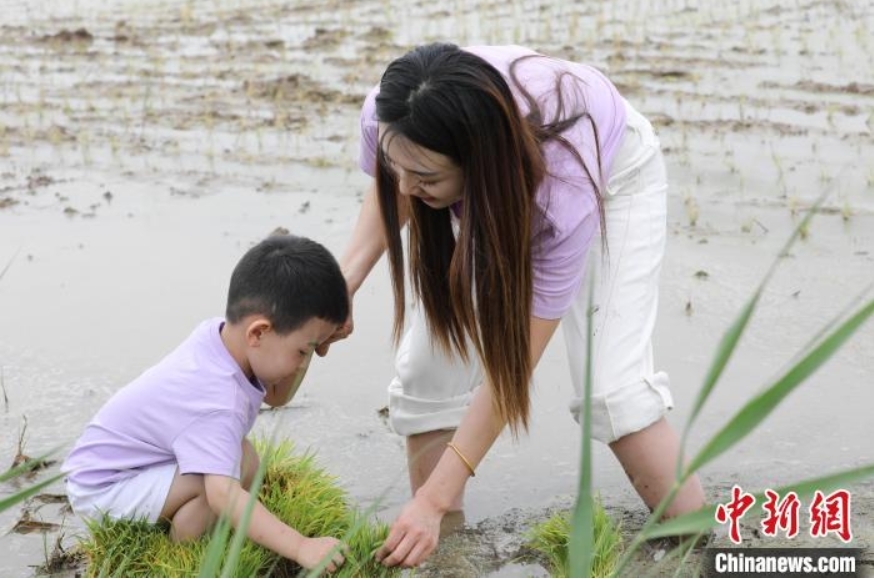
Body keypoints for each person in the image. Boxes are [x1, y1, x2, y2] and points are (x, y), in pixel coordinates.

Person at [319, 43, 707, 568]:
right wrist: (344, 283)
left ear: (478, 167)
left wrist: (429, 500)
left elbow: (512, 368)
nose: (406, 188)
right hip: (499, 177)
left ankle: (706, 548)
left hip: (611, 175)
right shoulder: (394, 113)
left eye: (426, 179)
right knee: (424, 374)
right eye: (397, 167)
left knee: (614, 393)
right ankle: (441, 553)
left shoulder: (560, 190)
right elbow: (400, 182)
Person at [62, 234, 350, 573]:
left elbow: (277, 396)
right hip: (103, 487)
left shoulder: (224, 338)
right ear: (258, 333)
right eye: (303, 351)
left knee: (244, 459)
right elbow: (223, 494)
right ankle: (184, 551)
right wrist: (301, 546)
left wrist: (315, 344)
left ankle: (190, 524)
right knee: (216, 483)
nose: (304, 362)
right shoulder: (216, 401)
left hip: (121, 465)